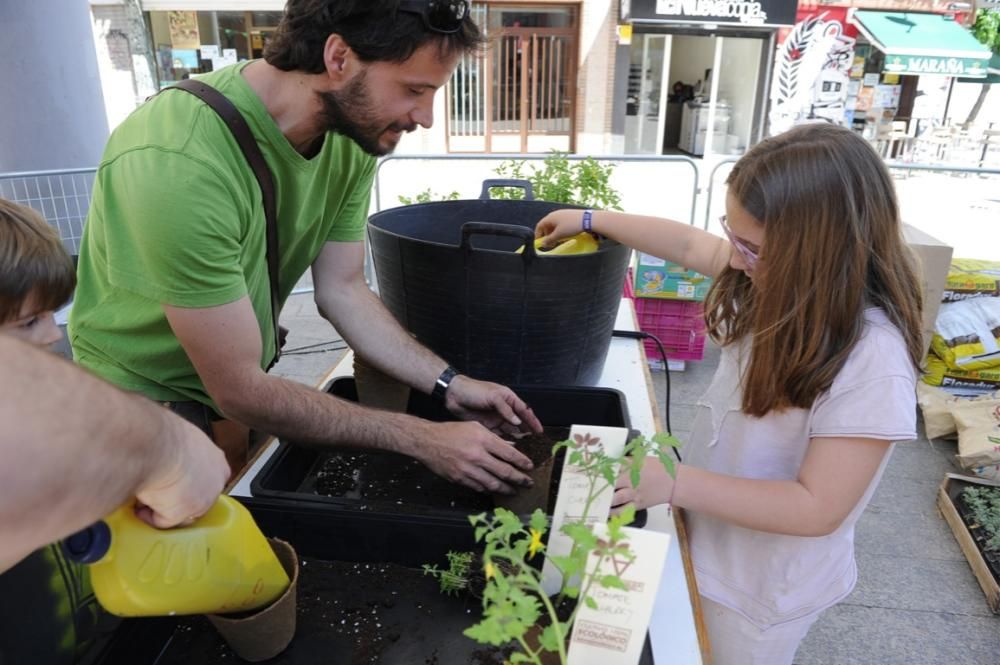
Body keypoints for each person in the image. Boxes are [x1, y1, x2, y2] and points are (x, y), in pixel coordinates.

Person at [69, 0, 542, 490]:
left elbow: (344, 289)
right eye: (414, 90)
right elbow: (239, 389)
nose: (424, 117)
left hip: (226, 393)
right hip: (140, 410)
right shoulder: (182, 160)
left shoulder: (350, 137)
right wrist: (421, 437)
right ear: (338, 58)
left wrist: (451, 385)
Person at [535, 123, 923, 665]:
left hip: (759, 590)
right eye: (734, 236)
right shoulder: (769, 282)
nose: (736, 258)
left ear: (820, 253)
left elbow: (818, 509)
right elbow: (691, 244)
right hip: (710, 539)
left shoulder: (872, 359)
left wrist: (674, 482)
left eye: (753, 247)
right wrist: (590, 218)